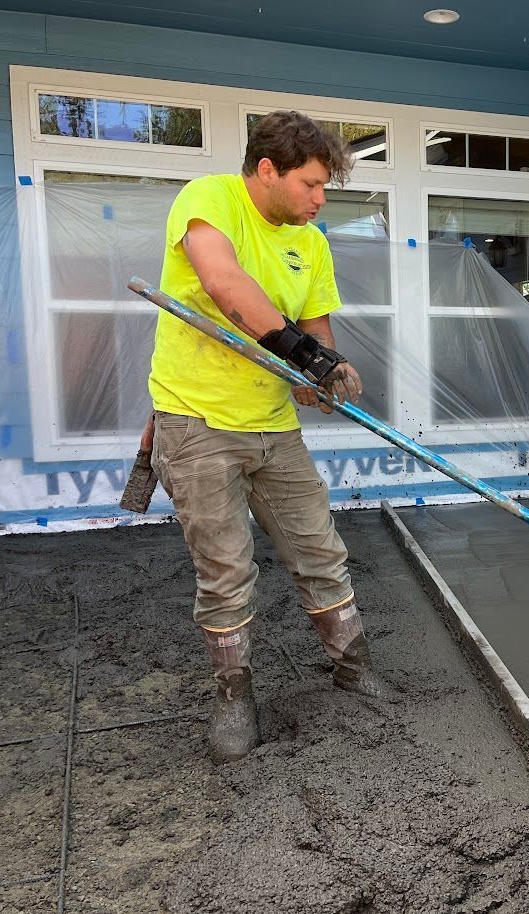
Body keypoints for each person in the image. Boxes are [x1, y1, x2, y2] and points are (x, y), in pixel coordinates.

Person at [143, 110, 381, 765]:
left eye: (324, 186)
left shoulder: (314, 243)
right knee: (225, 569)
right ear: (268, 170)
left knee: (318, 548)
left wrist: (319, 374)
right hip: (198, 420)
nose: (319, 198)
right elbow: (225, 287)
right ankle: (233, 696)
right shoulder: (209, 199)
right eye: (309, 183)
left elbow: (316, 328)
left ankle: (354, 666)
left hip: (274, 425)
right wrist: (308, 356)